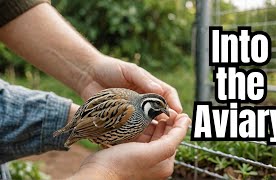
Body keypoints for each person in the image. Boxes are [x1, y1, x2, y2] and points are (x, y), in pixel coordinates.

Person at [0, 1, 191, 179]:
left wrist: (89, 71)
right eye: (158, 106)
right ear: (146, 104)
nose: (162, 111)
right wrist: (108, 171)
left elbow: (10, 5)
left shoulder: (132, 105)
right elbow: (100, 124)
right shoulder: (129, 111)